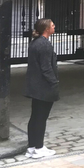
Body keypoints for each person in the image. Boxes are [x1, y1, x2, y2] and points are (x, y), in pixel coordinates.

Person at [24, 19, 59, 159]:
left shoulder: (35, 43)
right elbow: (46, 67)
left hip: (35, 85)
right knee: (41, 118)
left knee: (35, 116)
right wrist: (54, 82)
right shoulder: (44, 45)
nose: (54, 26)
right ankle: (39, 148)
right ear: (46, 29)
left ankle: (32, 147)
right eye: (52, 25)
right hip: (44, 86)